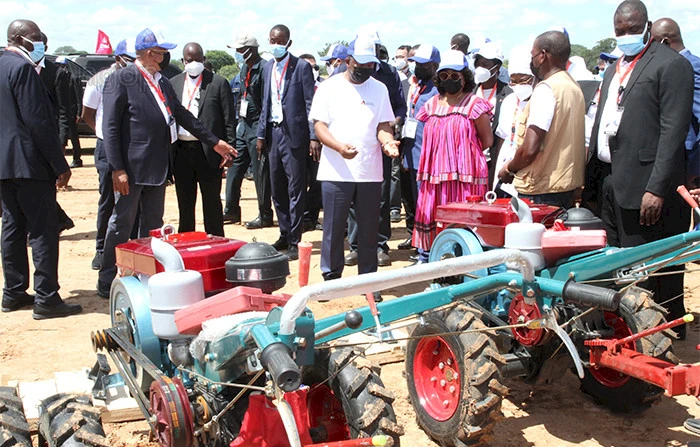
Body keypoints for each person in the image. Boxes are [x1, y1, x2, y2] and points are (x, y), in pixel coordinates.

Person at [97, 28, 236, 298]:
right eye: (162, 52)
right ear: (150, 53)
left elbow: (183, 115)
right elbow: (110, 127)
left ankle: (144, 277)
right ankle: (106, 280)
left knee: (152, 225)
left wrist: (214, 141)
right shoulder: (122, 79)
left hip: (157, 167)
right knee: (121, 224)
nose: (165, 56)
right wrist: (118, 168)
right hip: (132, 168)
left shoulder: (160, 80)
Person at [588, 0, 694, 338]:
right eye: (620, 31)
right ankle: (622, 330)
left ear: (647, 28)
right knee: (615, 263)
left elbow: (673, 132)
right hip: (609, 179)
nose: (626, 36)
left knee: (650, 269)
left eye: (633, 30)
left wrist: (656, 188)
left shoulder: (671, 65)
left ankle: (657, 335)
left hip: (646, 186)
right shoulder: (613, 67)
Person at [0, 19, 81, 319]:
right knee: (43, 230)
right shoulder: (23, 69)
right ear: (20, 39)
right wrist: (60, 165)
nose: (41, 45)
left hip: (5, 165)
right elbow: (38, 122)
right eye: (36, 39)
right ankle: (47, 297)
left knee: (12, 227)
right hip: (30, 163)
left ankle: (14, 292)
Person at [309, 32, 399, 294]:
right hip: (336, 170)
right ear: (348, 60)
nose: (365, 70)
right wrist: (338, 146)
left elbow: (383, 125)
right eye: (360, 65)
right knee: (334, 229)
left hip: (369, 171)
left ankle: (368, 282)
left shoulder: (379, 88)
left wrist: (387, 142)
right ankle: (332, 279)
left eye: (371, 65)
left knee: (369, 229)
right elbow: (319, 126)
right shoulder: (329, 87)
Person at [412, 50, 493, 262]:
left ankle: (465, 263)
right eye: (444, 75)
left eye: (455, 75)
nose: (449, 79)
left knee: (464, 221)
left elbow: (487, 140)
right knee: (433, 216)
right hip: (436, 176)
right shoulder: (430, 106)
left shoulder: (475, 104)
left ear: (465, 77)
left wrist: (463, 156)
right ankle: (430, 260)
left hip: (465, 177)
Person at [497, 30, 586, 209]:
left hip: (541, 190)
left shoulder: (546, 89)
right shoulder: (573, 87)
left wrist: (508, 169)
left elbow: (530, 148)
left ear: (543, 56)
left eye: (533, 55)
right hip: (565, 187)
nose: (532, 61)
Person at [344, 30, 406, 268]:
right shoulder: (345, 74)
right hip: (352, 145)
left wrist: (395, 122)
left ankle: (380, 245)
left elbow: (400, 106)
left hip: (383, 144)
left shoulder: (390, 74)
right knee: (352, 197)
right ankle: (356, 246)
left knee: (379, 197)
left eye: (377, 50)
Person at [256, 24, 319, 261]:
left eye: (280, 41)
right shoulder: (267, 67)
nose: (275, 45)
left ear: (288, 43)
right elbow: (265, 103)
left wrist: (313, 135)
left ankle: (295, 239)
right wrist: (261, 135)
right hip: (273, 134)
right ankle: (283, 232)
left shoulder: (301, 67)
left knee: (295, 188)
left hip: (294, 136)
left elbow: (309, 103)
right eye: (272, 40)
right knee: (277, 187)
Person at [81, 38, 138, 271]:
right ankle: (102, 249)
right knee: (107, 199)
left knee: (132, 201)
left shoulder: (139, 79)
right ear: (118, 58)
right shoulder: (100, 79)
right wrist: (104, 135)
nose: (133, 64)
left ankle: (131, 248)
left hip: (133, 148)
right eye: (130, 60)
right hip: (107, 148)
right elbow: (87, 113)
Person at [170, 43, 236, 237]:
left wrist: (229, 151)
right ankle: (186, 245)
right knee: (185, 203)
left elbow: (228, 120)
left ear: (204, 60)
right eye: (190, 60)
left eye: (198, 59)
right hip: (181, 151)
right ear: (183, 61)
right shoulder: (173, 83)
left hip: (209, 152)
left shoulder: (218, 83)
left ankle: (216, 244)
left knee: (212, 203)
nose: (194, 63)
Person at [225, 34, 274, 229]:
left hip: (257, 129)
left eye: (239, 50)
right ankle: (231, 210)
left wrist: (262, 134)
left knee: (260, 173)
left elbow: (266, 103)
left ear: (250, 50)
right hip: (243, 127)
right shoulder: (244, 68)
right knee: (234, 168)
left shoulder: (264, 69)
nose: (236, 54)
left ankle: (265, 214)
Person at [397, 44, 440, 259]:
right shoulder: (418, 86)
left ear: (434, 65)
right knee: (416, 204)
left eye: (424, 65)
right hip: (412, 153)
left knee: (428, 206)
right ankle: (420, 246)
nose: (419, 68)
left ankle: (428, 251)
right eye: (417, 64)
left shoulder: (438, 90)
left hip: (429, 157)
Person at [651, 18, 700, 183]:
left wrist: (694, 169)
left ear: (665, 42)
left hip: (687, 161)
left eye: (653, 44)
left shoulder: (691, 67)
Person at [36, 32, 74, 234]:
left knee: (47, 187)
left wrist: (60, 143)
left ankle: (55, 222)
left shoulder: (55, 73)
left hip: (49, 140)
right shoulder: (18, 70)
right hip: (24, 141)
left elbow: (63, 110)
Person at [492, 46, 535, 197]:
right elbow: (502, 138)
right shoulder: (509, 101)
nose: (518, 86)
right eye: (513, 81)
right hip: (505, 167)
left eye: (523, 80)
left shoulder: (540, 100)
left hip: (529, 171)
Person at [473, 41, 512, 187]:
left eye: (486, 65)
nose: (480, 68)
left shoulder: (508, 95)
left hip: (493, 161)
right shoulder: (469, 93)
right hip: (471, 161)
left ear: (497, 67)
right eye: (478, 64)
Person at [299, 53, 323, 232]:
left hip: (319, 141)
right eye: (308, 67)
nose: (312, 71)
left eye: (315, 68)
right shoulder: (293, 87)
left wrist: (316, 137)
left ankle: (311, 217)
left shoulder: (323, 87)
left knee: (316, 181)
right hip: (298, 141)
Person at [56, 56, 83, 168]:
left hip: (71, 113)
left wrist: (79, 113)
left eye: (61, 65)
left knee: (73, 137)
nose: (59, 68)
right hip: (61, 113)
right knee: (61, 137)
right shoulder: (57, 78)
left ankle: (77, 159)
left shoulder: (74, 78)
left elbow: (78, 97)